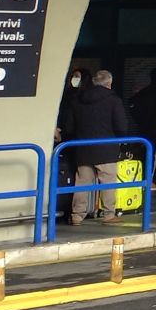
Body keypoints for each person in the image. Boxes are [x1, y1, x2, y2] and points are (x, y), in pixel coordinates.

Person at [57, 68, 132, 224]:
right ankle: (108, 215)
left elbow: (69, 127)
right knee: (108, 182)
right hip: (106, 148)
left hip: (82, 148)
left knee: (82, 183)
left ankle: (77, 215)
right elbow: (121, 126)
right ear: (109, 83)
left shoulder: (77, 99)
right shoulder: (113, 100)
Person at [127, 68, 156, 193]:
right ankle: (149, 181)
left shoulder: (145, 92)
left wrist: (140, 120)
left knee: (146, 153)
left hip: (145, 128)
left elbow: (132, 104)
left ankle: (144, 179)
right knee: (155, 155)